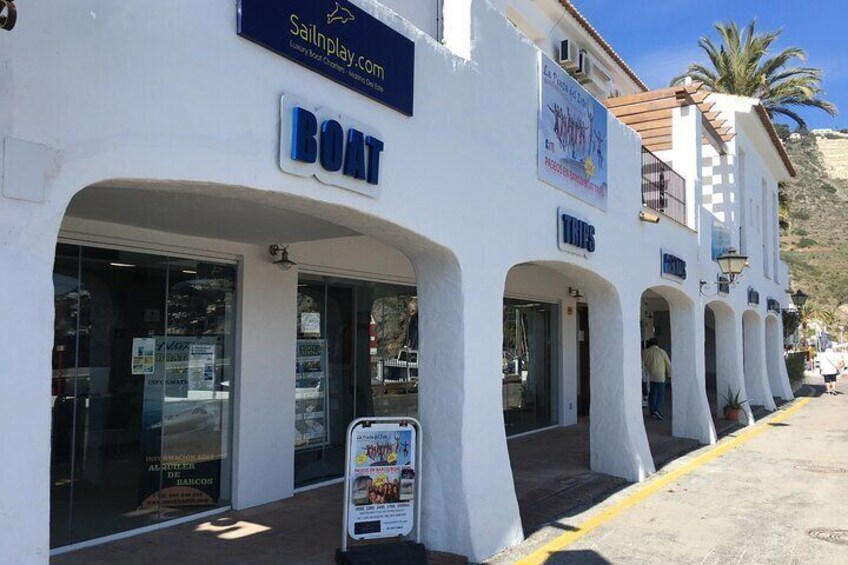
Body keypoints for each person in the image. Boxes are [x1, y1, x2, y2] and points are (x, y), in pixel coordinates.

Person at [642, 337, 672, 420]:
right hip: (660, 377)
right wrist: (670, 374)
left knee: (651, 394)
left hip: (650, 377)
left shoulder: (645, 352)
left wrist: (643, 375)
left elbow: (642, 364)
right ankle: (658, 411)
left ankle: (652, 411)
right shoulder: (661, 352)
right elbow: (668, 363)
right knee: (660, 395)